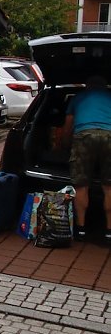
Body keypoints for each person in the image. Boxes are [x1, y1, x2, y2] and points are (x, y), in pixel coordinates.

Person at [62, 75, 111, 241]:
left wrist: (64, 145)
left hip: (83, 136)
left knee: (81, 185)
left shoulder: (79, 97)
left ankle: (81, 229)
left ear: (87, 86)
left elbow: (68, 126)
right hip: (109, 136)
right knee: (109, 186)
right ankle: (109, 231)